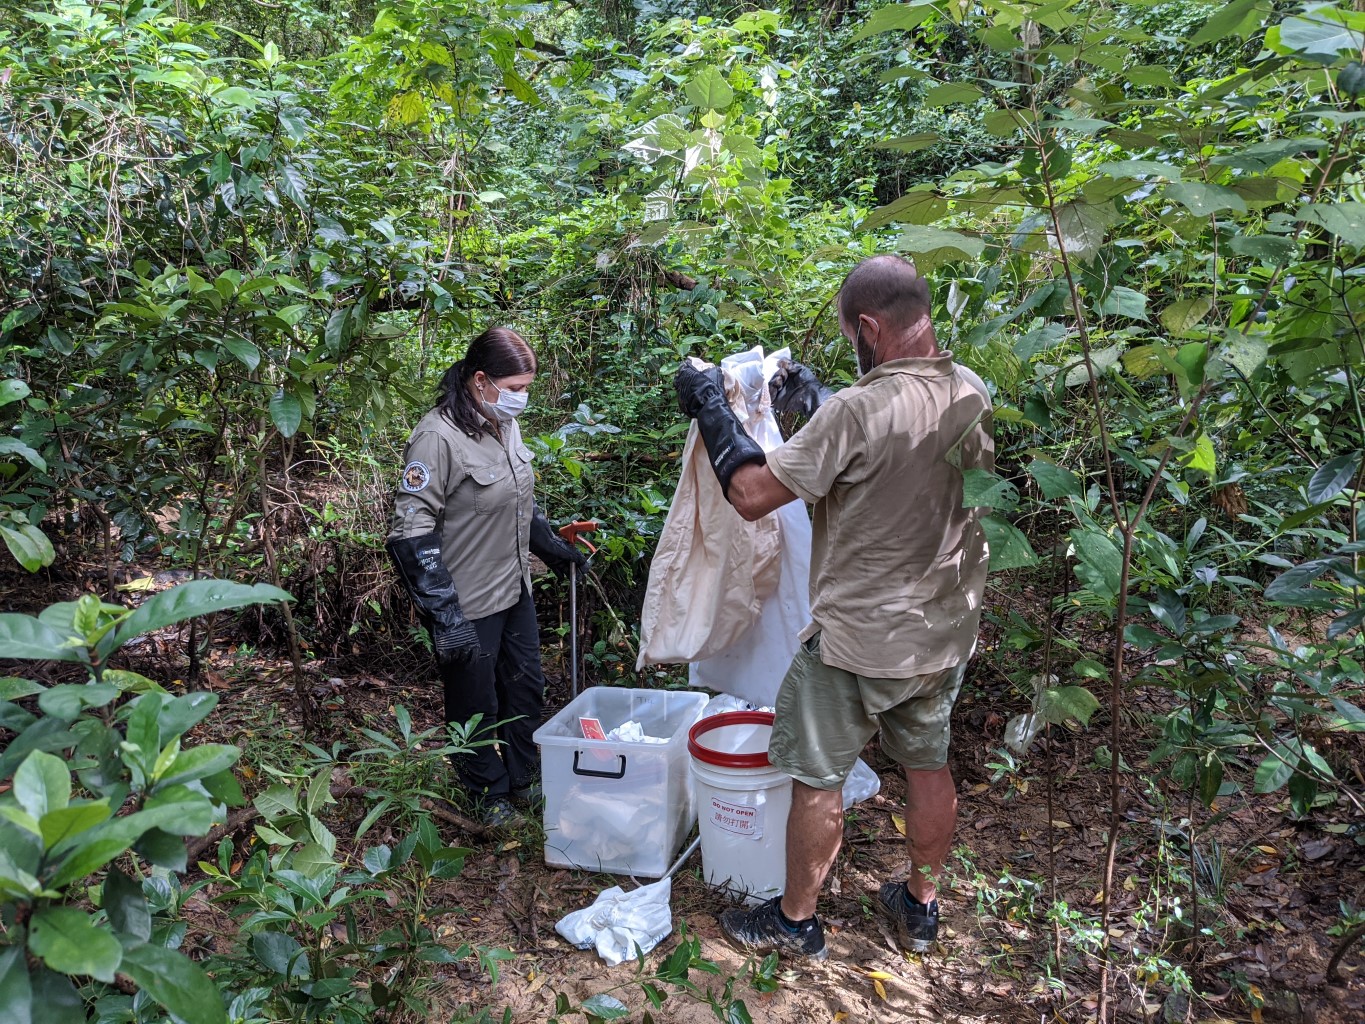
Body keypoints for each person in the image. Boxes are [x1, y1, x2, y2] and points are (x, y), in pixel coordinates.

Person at [673, 255, 994, 959]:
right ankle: (920, 906)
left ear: (870, 327)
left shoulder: (856, 411)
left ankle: (793, 921)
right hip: (942, 629)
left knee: (813, 778)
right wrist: (814, 401)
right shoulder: (970, 390)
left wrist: (710, 406)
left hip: (857, 639)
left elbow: (753, 494)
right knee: (926, 767)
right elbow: (889, 456)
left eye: (853, 332)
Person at [386, 326, 587, 828]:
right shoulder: (436, 438)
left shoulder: (503, 424)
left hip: (512, 585)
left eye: (526, 388)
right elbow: (409, 530)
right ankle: (486, 794)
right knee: (475, 702)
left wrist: (556, 552)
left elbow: (519, 501)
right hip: (464, 600)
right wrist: (443, 613)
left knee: (526, 689)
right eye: (514, 387)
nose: (522, 398)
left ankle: (523, 778)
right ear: (480, 380)